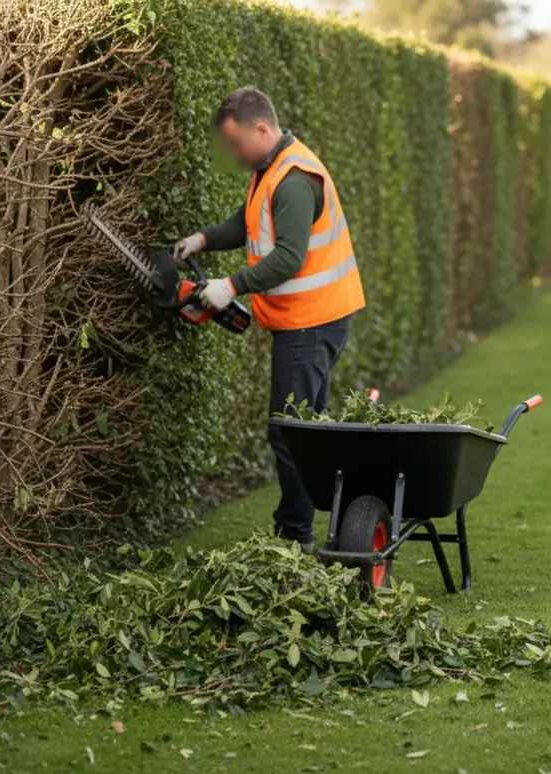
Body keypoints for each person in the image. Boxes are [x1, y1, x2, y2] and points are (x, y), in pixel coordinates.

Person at [174, 87, 365, 550]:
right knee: (308, 430)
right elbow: (248, 223)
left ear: (262, 128)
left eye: (238, 144)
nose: (235, 154)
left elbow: (289, 257)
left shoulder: (295, 179)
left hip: (311, 322)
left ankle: (294, 537)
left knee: (290, 433)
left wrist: (230, 286)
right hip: (308, 320)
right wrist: (202, 239)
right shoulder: (271, 169)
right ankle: (320, 526)